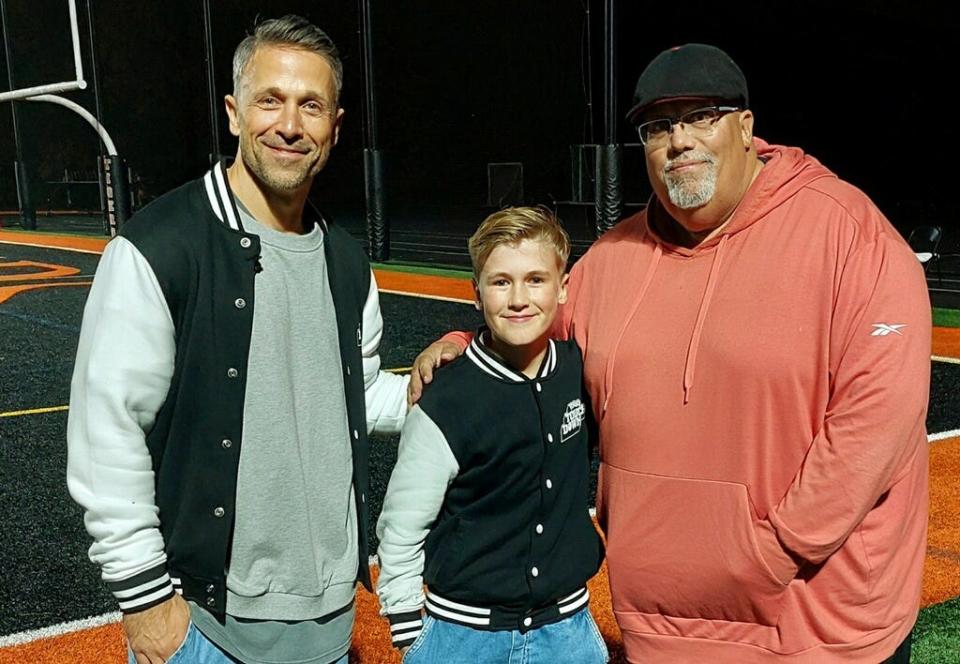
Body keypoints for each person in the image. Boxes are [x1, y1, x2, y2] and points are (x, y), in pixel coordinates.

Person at [410, 44, 930, 663]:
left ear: (745, 128)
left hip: (816, 630)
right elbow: (536, 334)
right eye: (658, 126)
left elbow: (878, 421)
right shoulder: (611, 259)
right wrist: (460, 346)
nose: (678, 140)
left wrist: (776, 549)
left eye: (700, 116)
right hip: (660, 631)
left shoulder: (848, 232)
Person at [67, 15, 408, 664]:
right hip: (206, 630)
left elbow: (356, 397)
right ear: (233, 113)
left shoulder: (345, 260)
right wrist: (144, 600)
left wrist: (441, 386)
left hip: (329, 624)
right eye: (269, 100)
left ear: (335, 126)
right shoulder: (161, 247)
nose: (288, 124)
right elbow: (105, 431)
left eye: (310, 105)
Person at [377, 207, 607, 663]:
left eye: (536, 279)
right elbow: (402, 525)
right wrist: (408, 630)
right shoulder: (446, 399)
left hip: (568, 633)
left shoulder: (581, 372)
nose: (519, 298)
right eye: (501, 282)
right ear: (477, 294)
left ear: (563, 288)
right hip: (463, 636)